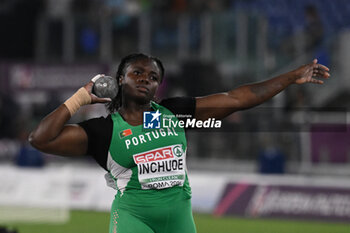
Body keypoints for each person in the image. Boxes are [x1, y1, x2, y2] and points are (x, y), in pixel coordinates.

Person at [29, 53, 330, 233]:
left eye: (153, 76)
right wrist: (81, 97)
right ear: (119, 79)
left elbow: (238, 98)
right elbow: (40, 139)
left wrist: (292, 76)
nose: (146, 79)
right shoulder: (103, 131)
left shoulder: (174, 112)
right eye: (137, 73)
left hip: (179, 218)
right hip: (134, 218)